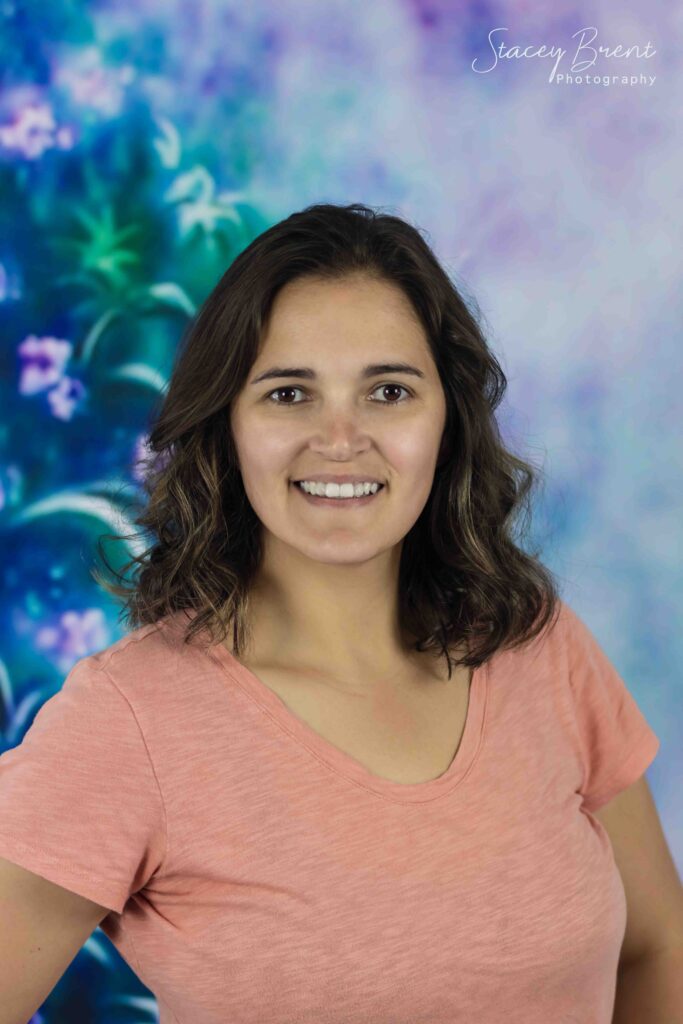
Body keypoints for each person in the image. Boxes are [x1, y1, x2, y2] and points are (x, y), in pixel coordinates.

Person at [0, 203, 674, 1024]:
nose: (341, 438)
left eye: (388, 390)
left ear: (446, 421)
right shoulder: (130, 720)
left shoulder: (538, 645)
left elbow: (656, 947)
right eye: (289, 393)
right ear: (228, 425)